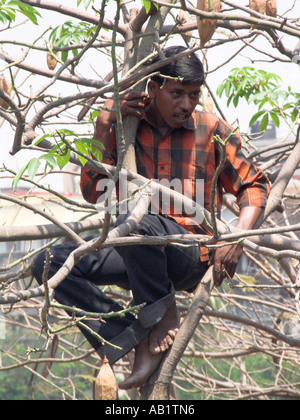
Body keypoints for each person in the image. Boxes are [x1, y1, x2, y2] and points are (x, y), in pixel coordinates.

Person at [32, 46, 270, 391]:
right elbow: (94, 191)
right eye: (176, 94)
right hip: (134, 248)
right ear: (152, 89)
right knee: (47, 262)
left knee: (139, 219)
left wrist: (236, 237)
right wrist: (102, 126)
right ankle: (127, 336)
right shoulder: (128, 128)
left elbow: (254, 184)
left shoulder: (211, 129)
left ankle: (161, 316)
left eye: (193, 95)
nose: (186, 104)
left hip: (189, 254)